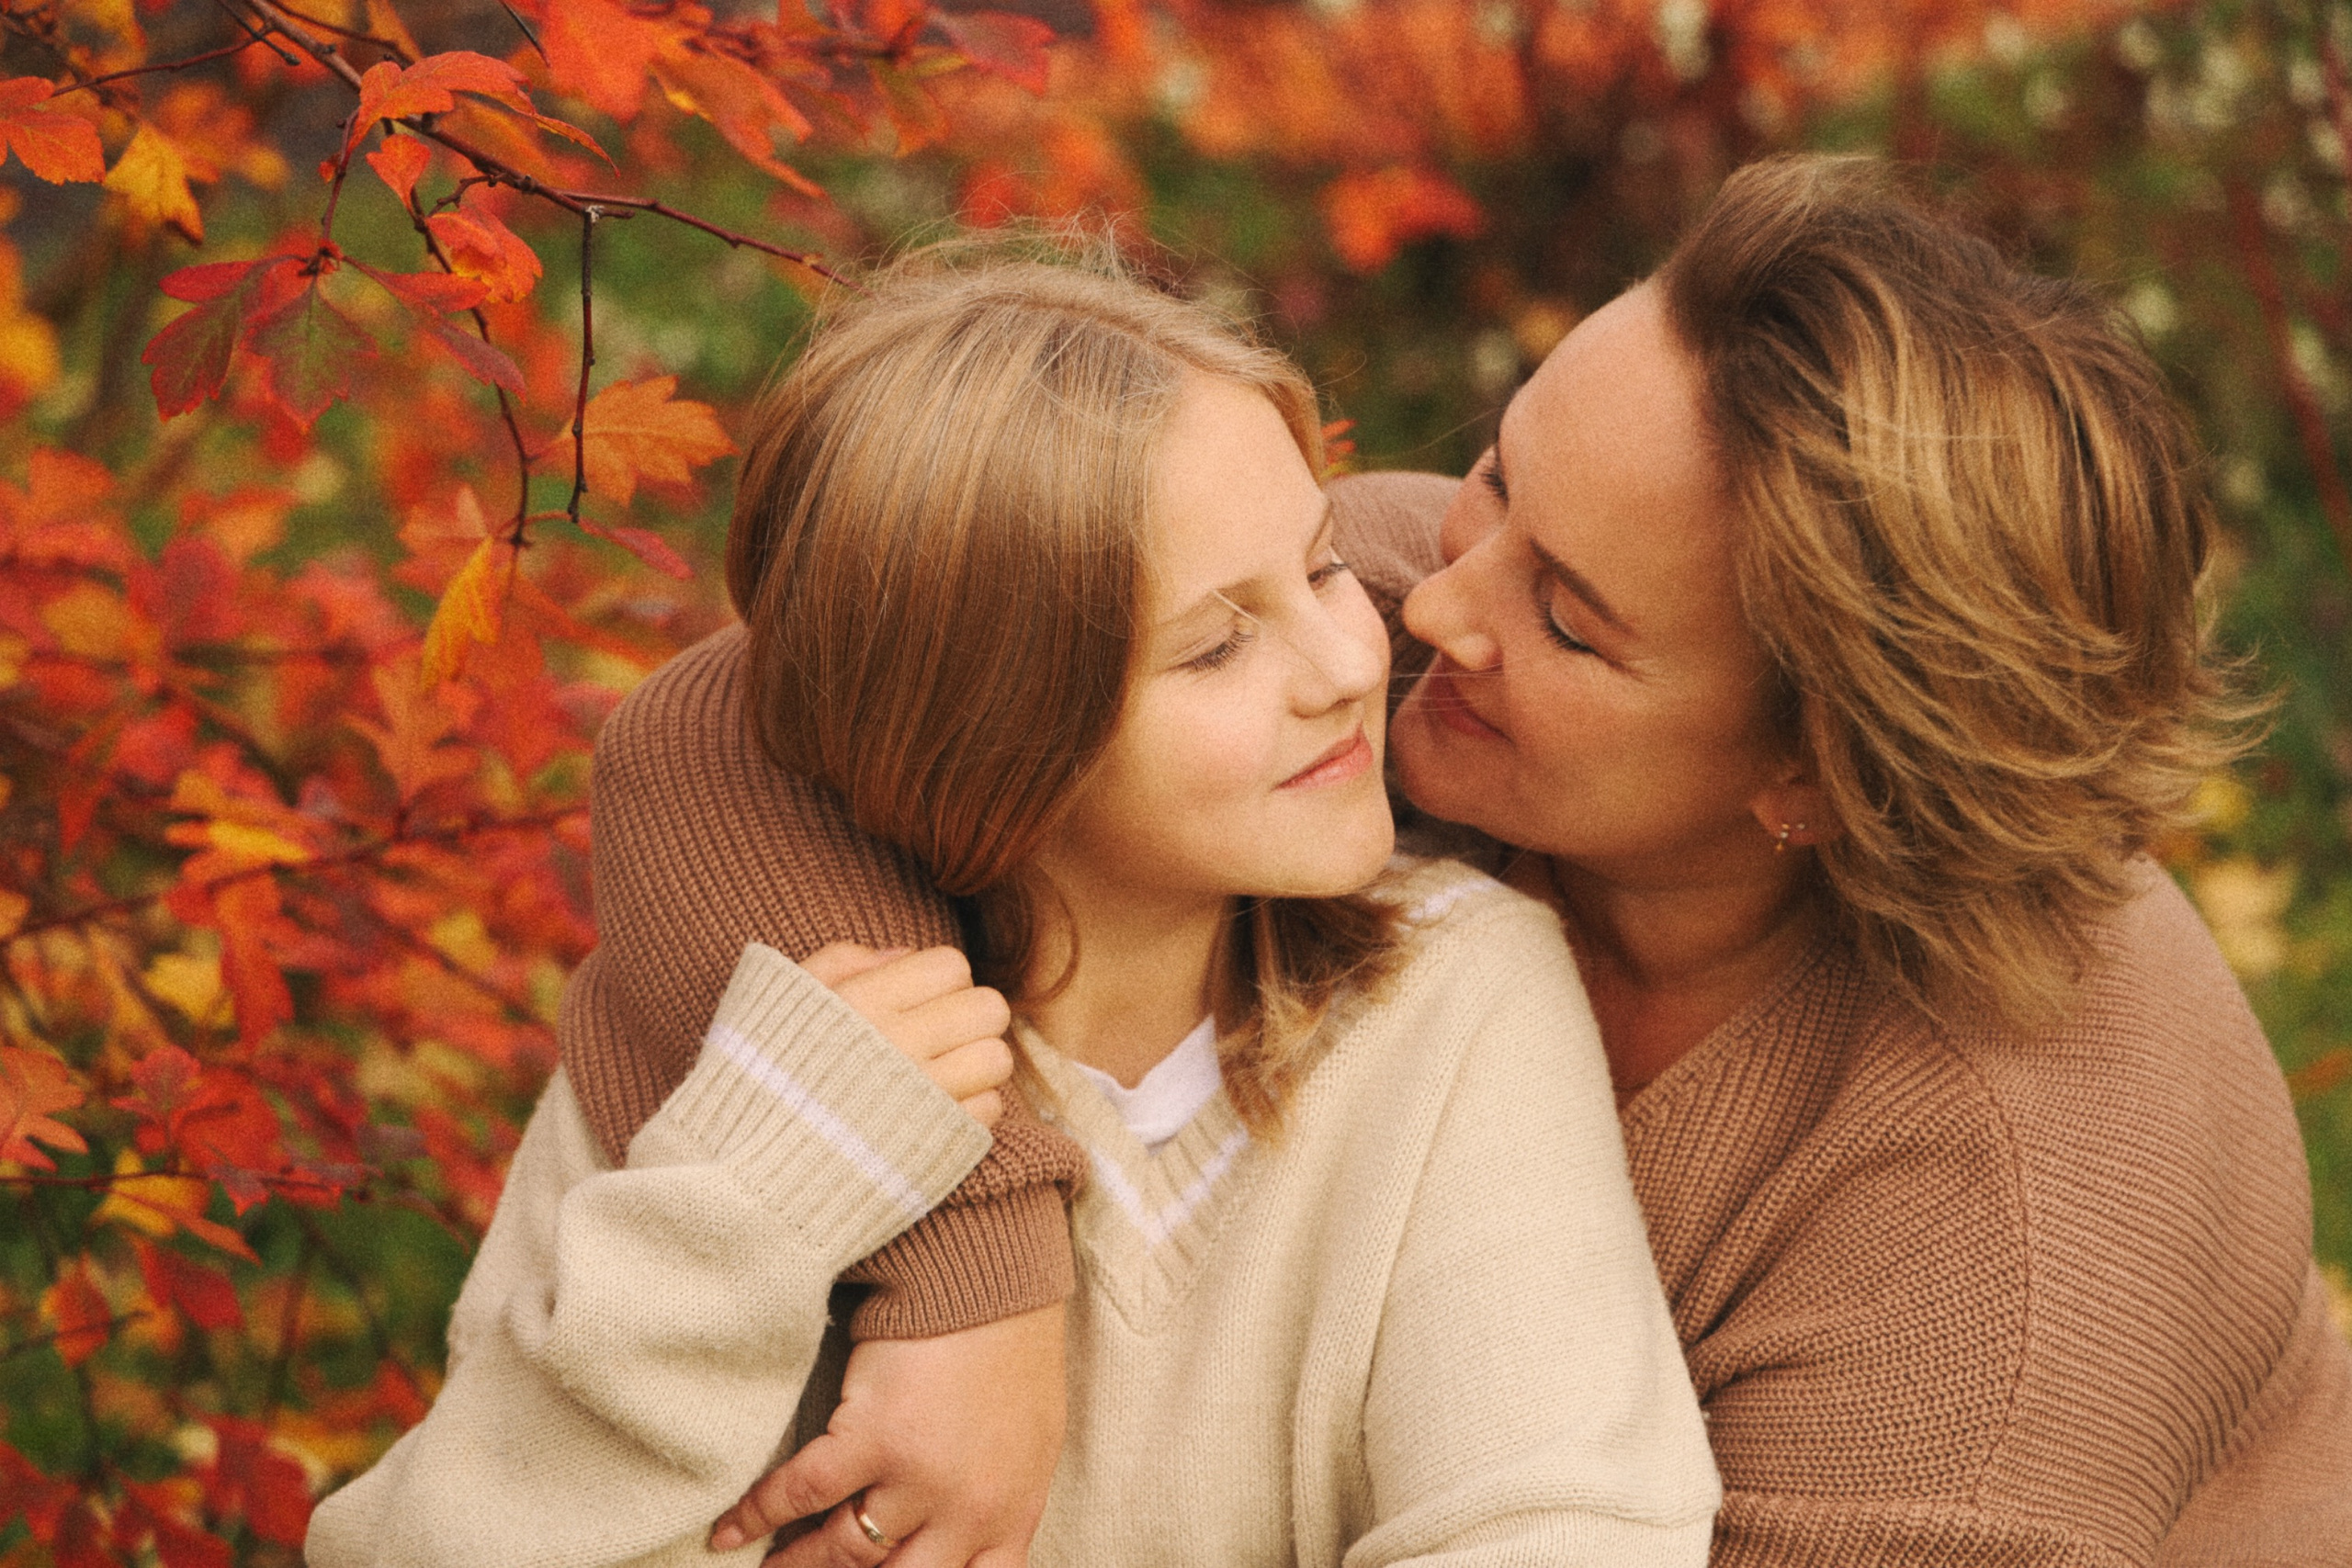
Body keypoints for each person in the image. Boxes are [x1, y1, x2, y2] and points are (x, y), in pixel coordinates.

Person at [605, 157, 2352, 1566]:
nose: (1424, 607)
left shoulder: (1988, 1316)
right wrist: (976, 1267)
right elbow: (727, 728)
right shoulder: (1382, 651)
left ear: (1820, 779)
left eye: (1571, 624)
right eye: (1501, 476)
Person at [304, 242, 1720, 1568]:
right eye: (1219, 645)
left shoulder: (1455, 999)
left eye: (1322, 569)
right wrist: (751, 1209)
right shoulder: (770, 1070)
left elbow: (1563, 1527)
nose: (1351, 660)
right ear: (994, 736)